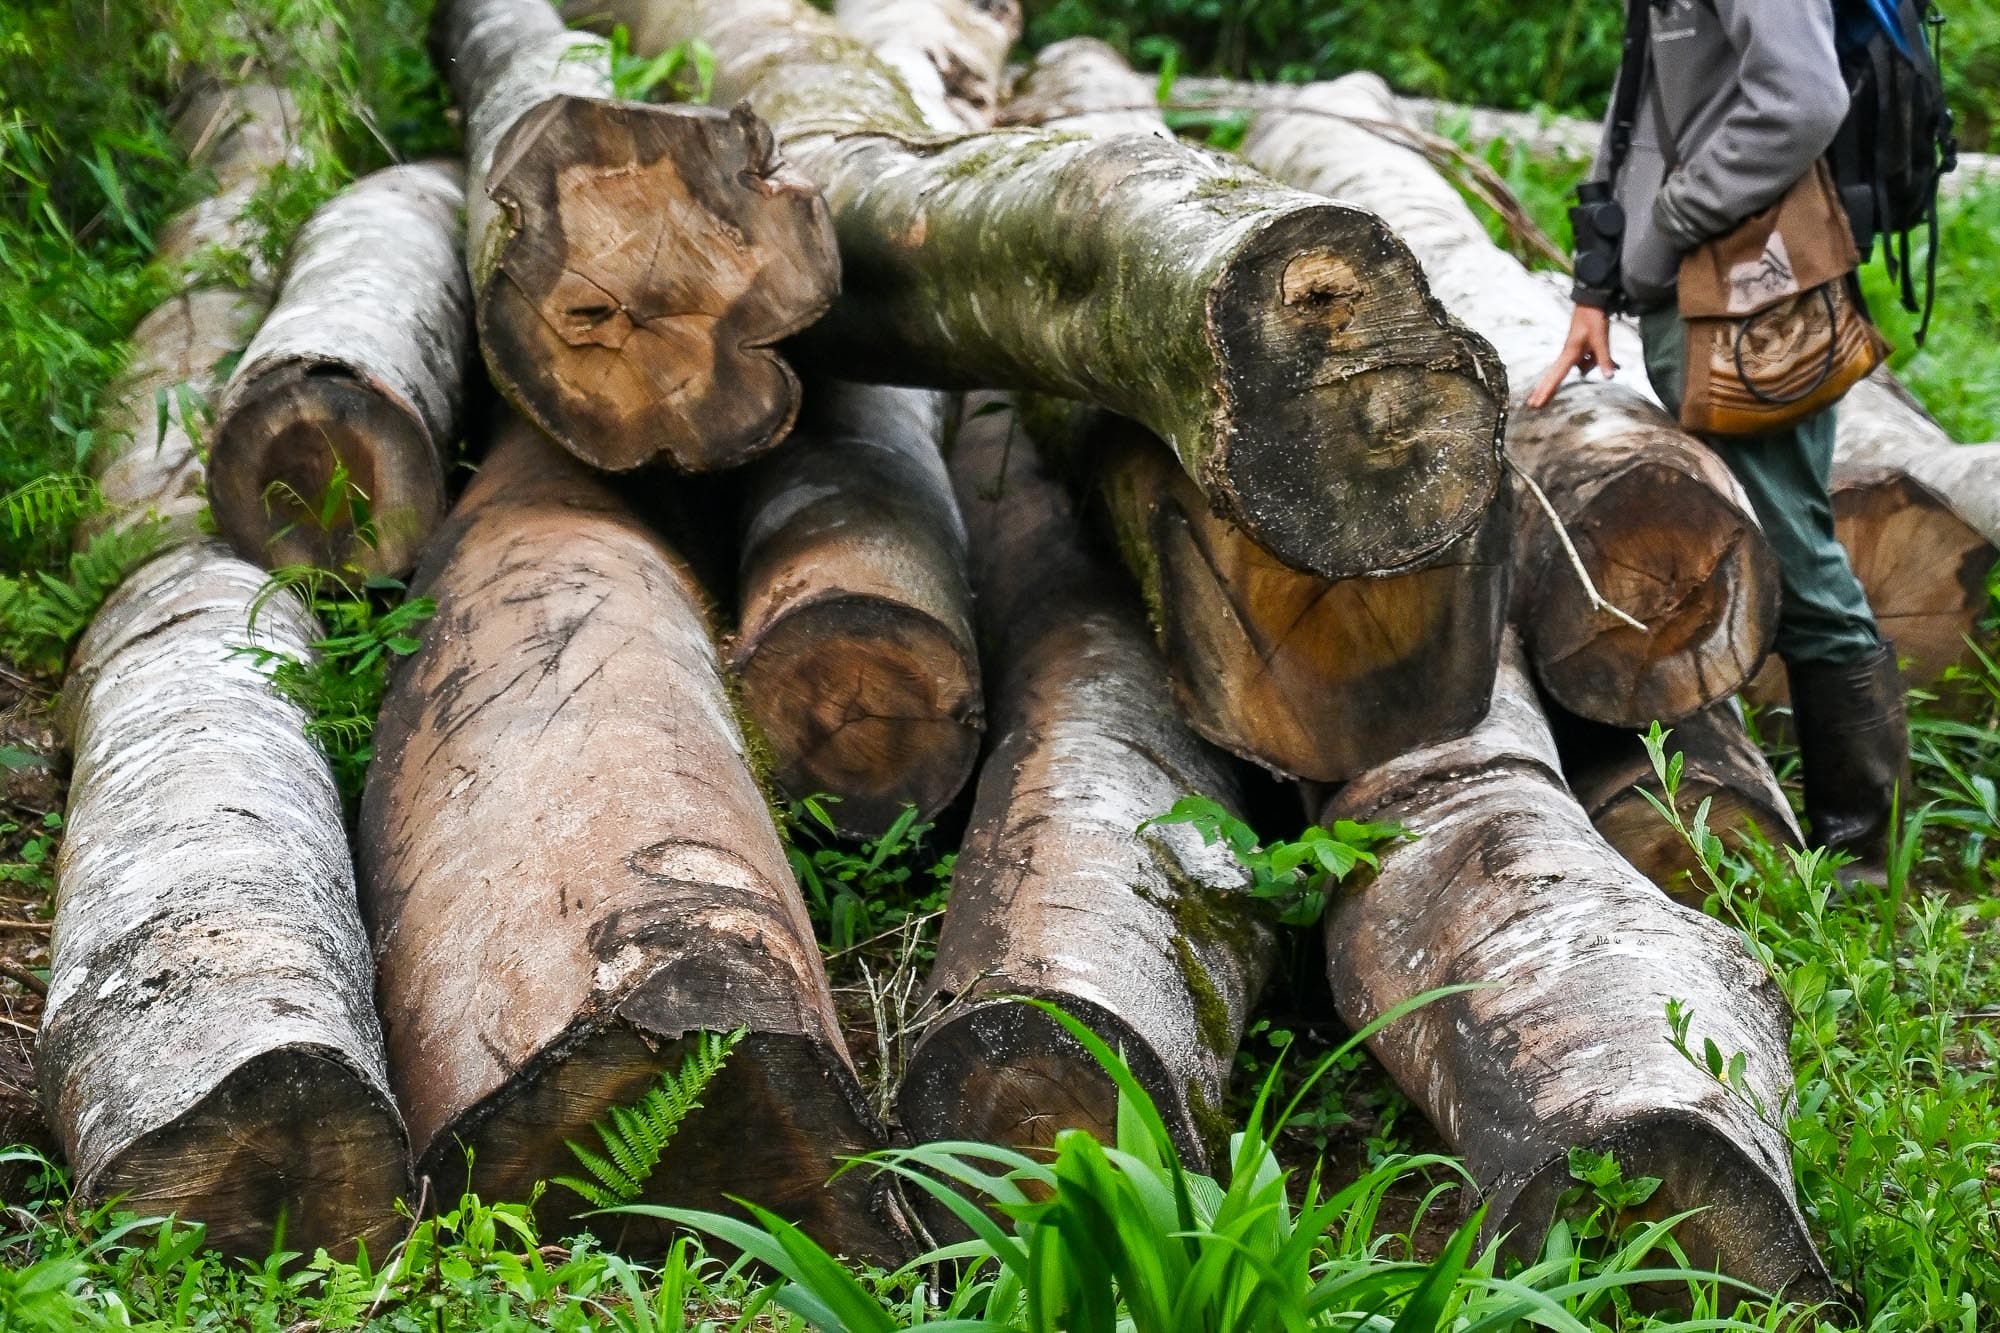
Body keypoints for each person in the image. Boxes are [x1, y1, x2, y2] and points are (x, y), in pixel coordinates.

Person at [1526, 0, 1907, 872]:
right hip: (1696, 291)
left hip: (1752, 300)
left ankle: (1863, 858)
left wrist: (1669, 224)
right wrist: (1600, 283)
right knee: (1748, 540)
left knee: (1797, 558)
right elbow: (1645, 113)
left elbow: (1802, 101)